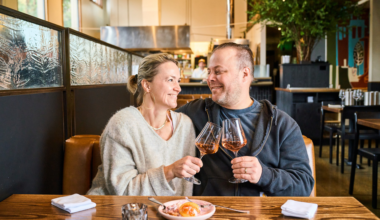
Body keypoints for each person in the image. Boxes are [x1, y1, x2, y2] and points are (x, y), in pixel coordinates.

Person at [177, 43, 314, 196]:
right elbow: (155, 124)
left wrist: (264, 175)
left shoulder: (281, 123)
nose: (209, 78)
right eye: (209, 72)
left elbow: (303, 185)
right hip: (208, 213)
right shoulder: (195, 111)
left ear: (244, 74)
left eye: (218, 71)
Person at [87, 53, 203, 196]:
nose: (178, 88)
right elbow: (121, 192)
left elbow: (185, 189)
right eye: (170, 80)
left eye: (178, 81)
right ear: (147, 85)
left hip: (165, 211)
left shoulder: (185, 125)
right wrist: (170, 171)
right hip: (113, 209)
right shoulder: (122, 124)